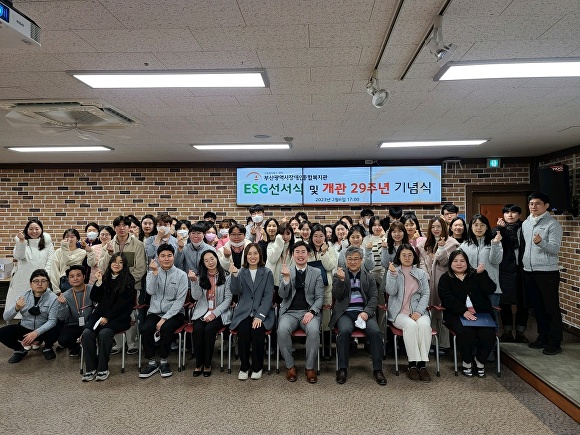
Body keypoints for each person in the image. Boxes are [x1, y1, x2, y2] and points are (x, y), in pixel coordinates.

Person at [330, 246, 387, 386]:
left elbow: (374, 298)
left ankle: (378, 369)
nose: (353, 262)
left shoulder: (369, 277)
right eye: (350, 259)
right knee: (344, 331)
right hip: (346, 313)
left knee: (375, 332)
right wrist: (342, 281)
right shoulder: (339, 274)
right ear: (345, 260)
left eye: (356, 259)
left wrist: (366, 312)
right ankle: (342, 368)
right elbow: (337, 296)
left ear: (361, 260)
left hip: (364, 312)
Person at [439, 250, 497, 378]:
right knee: (466, 332)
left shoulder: (476, 274)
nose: (459, 264)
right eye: (455, 261)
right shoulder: (446, 278)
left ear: (467, 262)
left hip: (480, 314)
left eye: (462, 261)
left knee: (488, 333)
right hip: (456, 314)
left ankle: (480, 361)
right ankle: (467, 361)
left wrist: (482, 275)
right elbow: (446, 298)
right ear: (450, 263)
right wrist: (463, 311)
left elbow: (490, 289)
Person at [81, 253, 136, 381]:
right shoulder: (104, 277)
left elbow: (123, 304)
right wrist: (98, 282)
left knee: (104, 333)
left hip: (119, 316)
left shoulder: (129, 279)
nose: (116, 264)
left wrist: (108, 317)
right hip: (100, 314)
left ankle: (102, 368)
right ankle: (91, 368)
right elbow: (95, 298)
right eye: (114, 261)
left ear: (125, 265)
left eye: (120, 262)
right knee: (87, 333)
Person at [522, 192, 563, 355]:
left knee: (550, 308)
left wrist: (541, 243)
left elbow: (554, 249)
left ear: (546, 206)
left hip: (547, 272)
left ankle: (555, 341)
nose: (533, 206)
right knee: (537, 308)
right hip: (529, 271)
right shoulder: (526, 223)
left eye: (537, 203)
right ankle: (542, 337)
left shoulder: (553, 225)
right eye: (531, 203)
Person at [98, 215, 147, 355]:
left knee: (131, 314)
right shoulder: (109, 244)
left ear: (129, 227)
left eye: (125, 225)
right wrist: (108, 254)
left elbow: (141, 268)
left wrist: (126, 284)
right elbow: (102, 266)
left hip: (131, 288)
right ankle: (119, 344)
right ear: (114, 228)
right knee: (112, 312)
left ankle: (132, 343)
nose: (122, 228)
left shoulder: (137, 244)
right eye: (118, 225)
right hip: (111, 289)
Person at [278, 241, 324, 383]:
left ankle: (309, 368)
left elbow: (319, 297)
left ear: (308, 254)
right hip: (289, 312)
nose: (300, 255)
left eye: (303, 252)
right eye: (297, 252)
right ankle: (290, 366)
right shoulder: (286, 270)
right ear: (293, 254)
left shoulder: (316, 272)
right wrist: (286, 279)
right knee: (282, 330)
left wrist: (312, 311)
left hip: (308, 312)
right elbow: (282, 295)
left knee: (314, 330)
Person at [139, 244, 188, 378]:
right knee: (145, 329)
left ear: (173, 257)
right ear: (158, 258)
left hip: (175, 313)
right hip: (155, 311)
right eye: (163, 256)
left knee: (166, 328)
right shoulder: (151, 273)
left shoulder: (181, 275)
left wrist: (165, 318)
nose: (166, 259)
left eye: (169, 256)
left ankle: (164, 362)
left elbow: (180, 301)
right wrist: (154, 274)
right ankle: (151, 363)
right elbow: (151, 291)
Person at [385, 245, 432, 382]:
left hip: (418, 310)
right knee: (411, 326)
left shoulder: (420, 273)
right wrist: (393, 275)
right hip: (399, 312)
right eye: (404, 255)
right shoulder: (393, 271)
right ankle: (412, 365)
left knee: (424, 326)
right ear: (399, 257)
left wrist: (418, 312)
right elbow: (391, 292)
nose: (407, 257)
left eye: (410, 255)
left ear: (414, 257)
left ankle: (422, 366)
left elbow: (425, 294)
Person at [229, 243, 275, 380]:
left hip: (261, 313)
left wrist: (260, 316)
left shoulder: (267, 272)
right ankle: (244, 366)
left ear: (260, 255)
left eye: (255, 253)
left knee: (257, 332)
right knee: (243, 332)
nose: (252, 256)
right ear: (245, 256)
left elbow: (268, 297)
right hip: (244, 312)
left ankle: (257, 367)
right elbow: (235, 291)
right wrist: (235, 276)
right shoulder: (240, 272)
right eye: (249, 254)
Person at [416, 216, 459, 351]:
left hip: (443, 281)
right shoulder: (424, 244)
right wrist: (425, 275)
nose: (436, 229)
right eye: (433, 227)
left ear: (444, 228)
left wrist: (441, 249)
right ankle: (429, 343)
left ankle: (443, 344)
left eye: (438, 227)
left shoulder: (452, 243)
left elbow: (446, 262)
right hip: (427, 281)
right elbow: (421, 261)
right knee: (428, 311)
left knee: (442, 311)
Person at [0, 269, 59, 363]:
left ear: (47, 283)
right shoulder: (23, 296)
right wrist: (16, 308)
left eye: (43, 281)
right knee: (2, 332)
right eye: (36, 281)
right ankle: (19, 350)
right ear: (30, 284)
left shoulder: (53, 298)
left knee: (57, 327)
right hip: (25, 327)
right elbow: (6, 317)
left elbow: (52, 321)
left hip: (43, 330)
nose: (39, 284)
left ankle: (47, 348)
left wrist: (36, 333)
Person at [190, 250, 232, 377]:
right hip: (202, 311)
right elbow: (196, 297)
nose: (210, 262)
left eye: (212, 258)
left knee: (209, 330)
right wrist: (193, 282)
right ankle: (199, 363)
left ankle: (207, 363)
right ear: (203, 263)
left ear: (217, 259)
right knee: (197, 329)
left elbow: (228, 299)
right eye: (206, 260)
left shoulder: (226, 276)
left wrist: (214, 314)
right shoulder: (199, 276)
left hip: (220, 312)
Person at [6, 219, 54, 322]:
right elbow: (18, 256)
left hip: (40, 279)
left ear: (41, 229)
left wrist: (45, 277)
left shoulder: (48, 243)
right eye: (31, 229)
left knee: (39, 306)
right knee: (21, 306)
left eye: (37, 228)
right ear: (26, 230)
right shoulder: (21, 241)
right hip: (23, 279)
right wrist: (22, 242)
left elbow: (50, 261)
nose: (34, 231)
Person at [495, 204, 529, 343]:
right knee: (505, 302)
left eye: (514, 212)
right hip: (505, 271)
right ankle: (507, 331)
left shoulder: (526, 228)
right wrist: (500, 230)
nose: (510, 215)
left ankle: (521, 332)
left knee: (523, 302)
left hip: (524, 269)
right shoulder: (498, 230)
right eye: (507, 212)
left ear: (519, 215)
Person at [460, 214, 503, 316]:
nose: (479, 228)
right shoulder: (465, 245)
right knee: (474, 318)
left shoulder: (494, 242)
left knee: (492, 318)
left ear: (487, 227)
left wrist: (496, 243)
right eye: (476, 225)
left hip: (491, 288)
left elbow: (496, 261)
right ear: (471, 227)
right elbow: (458, 264)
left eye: (482, 225)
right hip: (471, 289)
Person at [308, 225, 337, 357]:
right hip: (310, 290)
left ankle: (326, 348)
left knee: (326, 320)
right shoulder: (307, 249)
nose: (318, 239)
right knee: (312, 318)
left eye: (321, 236)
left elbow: (330, 266)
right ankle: (314, 348)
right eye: (315, 236)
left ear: (325, 236)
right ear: (311, 237)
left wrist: (324, 253)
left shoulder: (330, 249)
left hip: (326, 289)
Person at [56, 265, 92, 357]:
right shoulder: (65, 295)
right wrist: (62, 305)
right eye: (72, 277)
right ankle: (75, 347)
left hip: (90, 323)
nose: (75, 278)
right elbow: (61, 317)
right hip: (74, 324)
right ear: (68, 280)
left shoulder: (92, 290)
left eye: (78, 275)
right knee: (63, 340)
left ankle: (89, 345)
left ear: (84, 277)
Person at [50, 228, 87, 294]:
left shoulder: (82, 252)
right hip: (63, 281)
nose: (69, 239)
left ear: (77, 239)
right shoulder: (58, 251)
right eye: (66, 237)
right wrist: (56, 290)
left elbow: (68, 261)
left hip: (77, 281)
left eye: (72, 237)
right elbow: (54, 270)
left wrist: (64, 247)